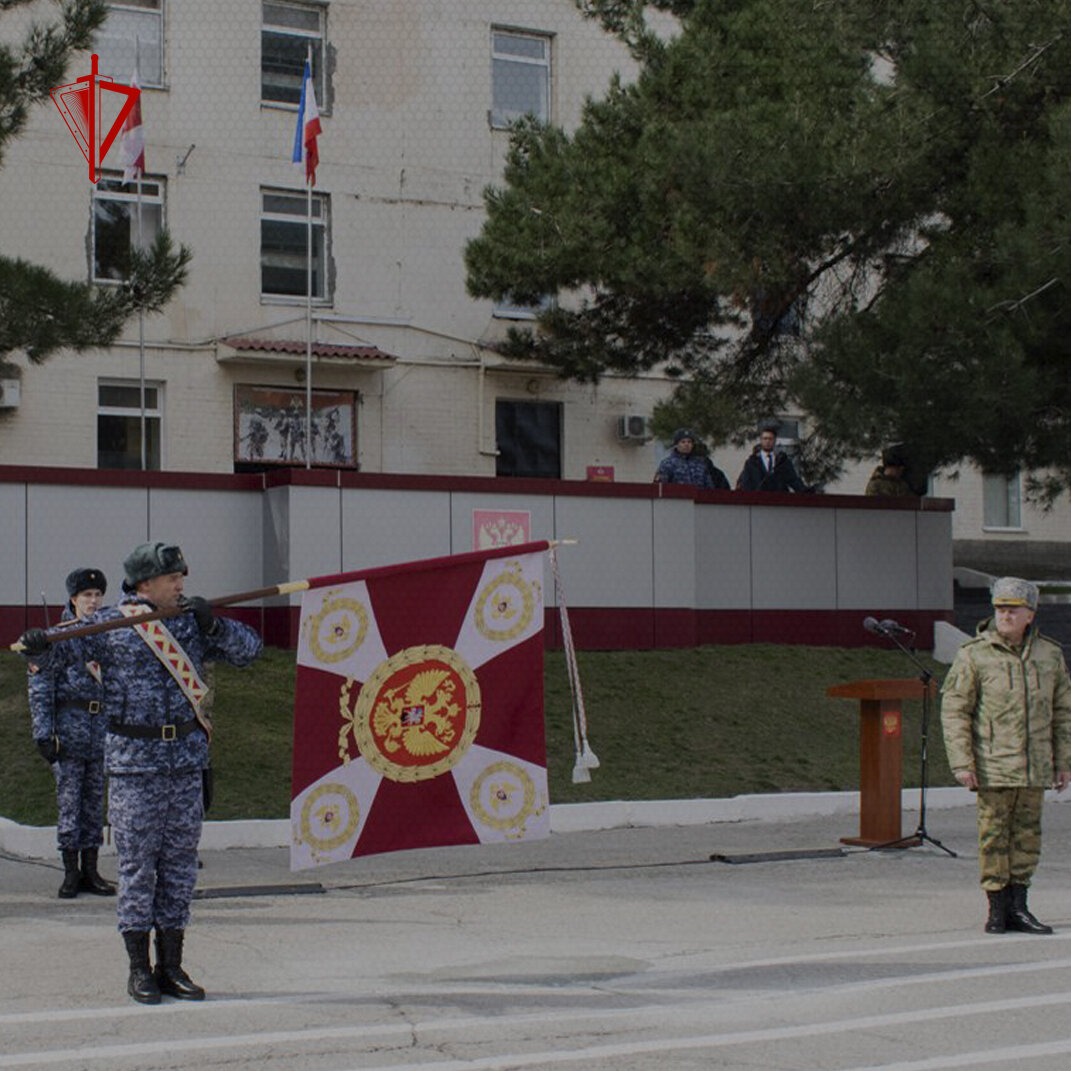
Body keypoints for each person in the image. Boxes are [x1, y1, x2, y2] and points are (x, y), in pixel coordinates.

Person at [23, 541, 262, 1004]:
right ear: (145, 584)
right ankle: (138, 969)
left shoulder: (191, 621)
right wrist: (37, 643)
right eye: (173, 578)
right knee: (137, 869)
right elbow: (49, 658)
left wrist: (214, 624)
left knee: (177, 870)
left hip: (186, 764)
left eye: (182, 578)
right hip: (136, 765)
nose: (181, 585)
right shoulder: (111, 625)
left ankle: (171, 965)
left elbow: (249, 651)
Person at [940, 577, 1071, 935]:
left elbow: (1063, 711)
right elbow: (955, 710)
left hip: (1034, 765)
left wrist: (1064, 761)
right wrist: (962, 762)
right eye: (1000, 609)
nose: (1005, 616)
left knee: (1027, 838)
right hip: (993, 765)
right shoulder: (974, 655)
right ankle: (996, 909)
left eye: (1013, 610)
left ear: (1030, 614)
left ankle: (1020, 906)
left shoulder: (1050, 654)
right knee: (993, 836)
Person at [27, 568, 115, 899]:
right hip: (69, 731)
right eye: (86, 596)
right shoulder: (57, 638)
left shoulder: (108, 634)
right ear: (73, 600)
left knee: (94, 803)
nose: (93, 602)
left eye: (97, 596)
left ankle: (91, 871)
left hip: (100, 732)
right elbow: (41, 688)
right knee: (70, 804)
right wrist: (43, 733)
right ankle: (70, 872)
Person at [736, 421, 811, 492]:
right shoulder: (752, 463)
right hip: (758, 501)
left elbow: (793, 481)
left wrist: (806, 491)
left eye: (770, 439)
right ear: (761, 440)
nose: (767, 441)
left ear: (775, 440)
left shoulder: (782, 462)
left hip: (779, 501)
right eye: (765, 439)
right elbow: (746, 484)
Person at [655, 428, 720, 488]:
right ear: (676, 445)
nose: (686, 444)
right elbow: (660, 488)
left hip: (699, 499)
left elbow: (709, 488)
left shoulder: (700, 464)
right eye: (683, 442)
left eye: (689, 442)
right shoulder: (667, 464)